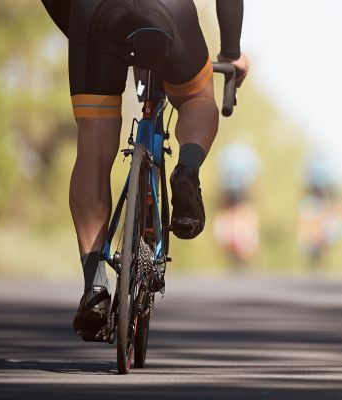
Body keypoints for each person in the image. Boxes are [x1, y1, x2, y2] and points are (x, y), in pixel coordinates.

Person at [40, 0, 249, 340]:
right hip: (168, 9)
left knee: (93, 143)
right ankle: (186, 170)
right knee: (198, 99)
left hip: (94, 13)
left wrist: (80, 30)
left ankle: (94, 286)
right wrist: (231, 50)